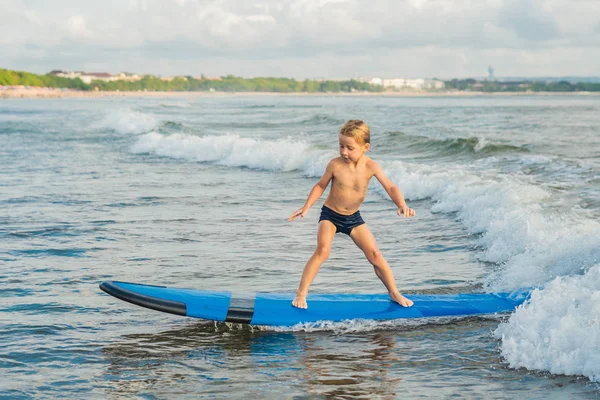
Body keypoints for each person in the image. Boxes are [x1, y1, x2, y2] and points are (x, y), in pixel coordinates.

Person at [288, 120, 415, 309]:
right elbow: (321, 185)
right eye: (341, 146)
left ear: (365, 147)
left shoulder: (371, 167)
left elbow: (390, 186)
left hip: (353, 218)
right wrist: (306, 207)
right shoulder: (335, 165)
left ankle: (394, 292)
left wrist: (402, 204)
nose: (344, 152)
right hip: (330, 215)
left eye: (349, 148)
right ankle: (301, 293)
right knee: (323, 250)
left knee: (375, 254)